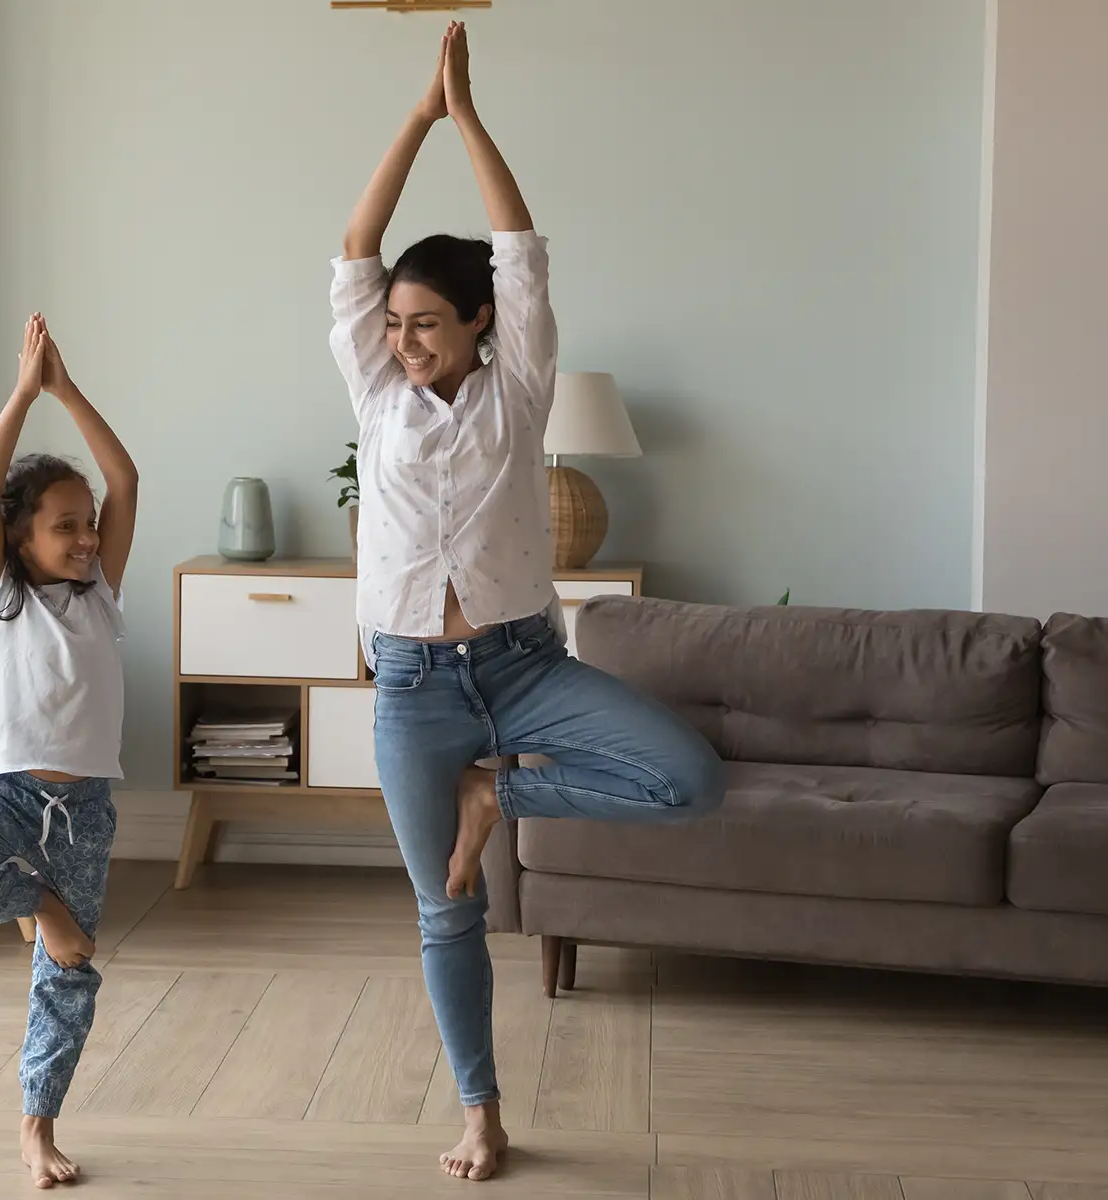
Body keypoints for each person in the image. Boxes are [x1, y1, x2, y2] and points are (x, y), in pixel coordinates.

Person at [329, 23, 725, 1182]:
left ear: (481, 324)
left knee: (689, 779)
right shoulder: (377, 391)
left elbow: (519, 246)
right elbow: (355, 245)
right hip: (409, 685)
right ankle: (480, 1113)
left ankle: (497, 790)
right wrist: (415, 118)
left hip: (521, 667)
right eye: (394, 326)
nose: (404, 344)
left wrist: (470, 116)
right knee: (444, 909)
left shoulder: (521, 390)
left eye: (427, 324)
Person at [0, 313, 138, 1189]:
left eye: (88, 526)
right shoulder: (2, 603)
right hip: (3, 795)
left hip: (82, 811)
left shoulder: (100, 597)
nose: (84, 538)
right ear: (17, 540)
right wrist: (21, 393)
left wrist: (67, 391)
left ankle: (37, 1127)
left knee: (69, 977)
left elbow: (121, 477)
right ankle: (39, 905)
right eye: (63, 528)